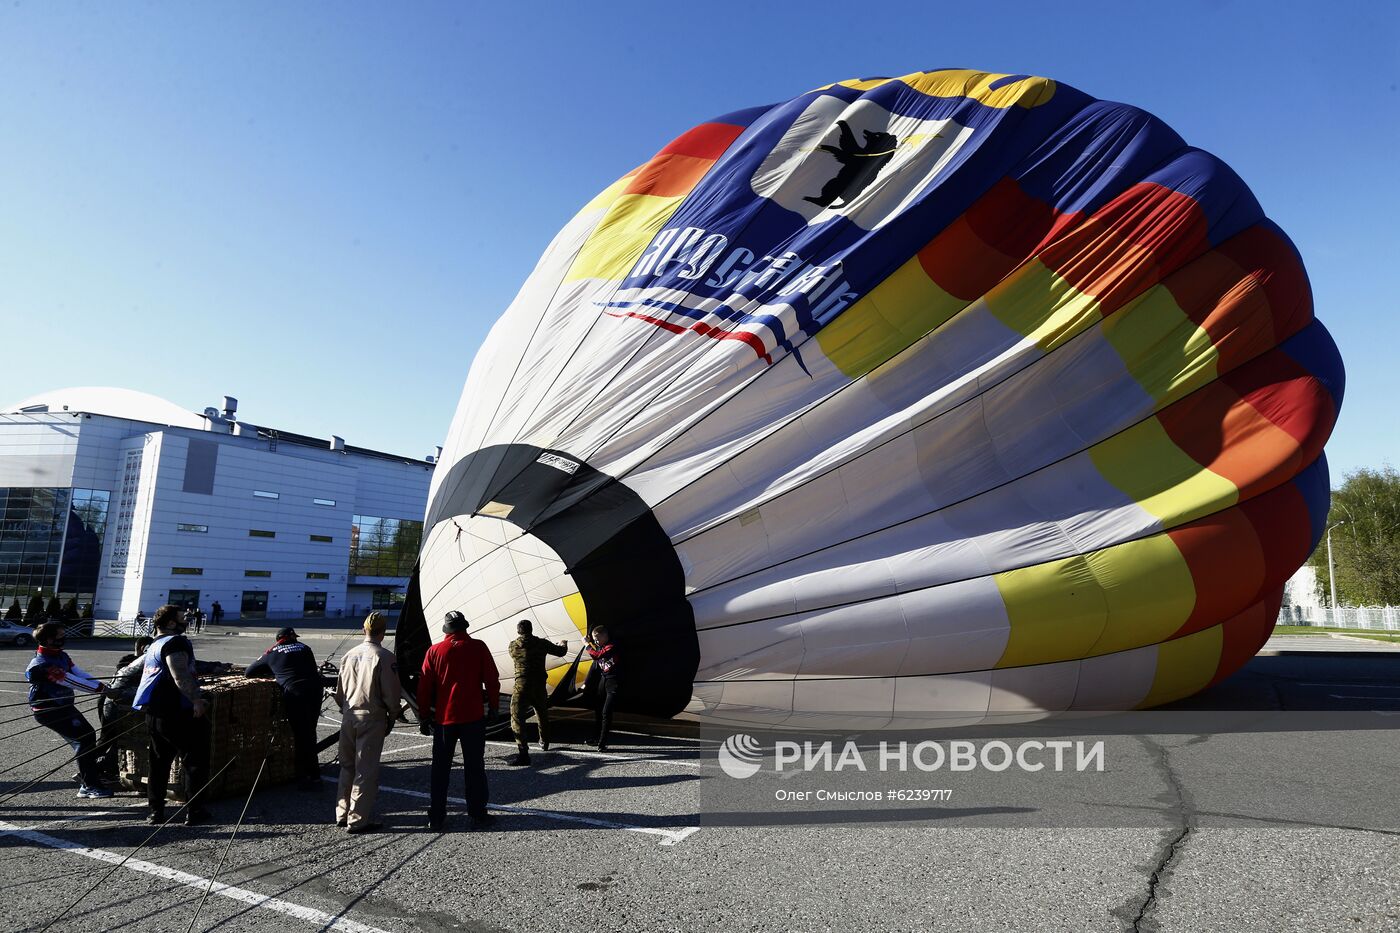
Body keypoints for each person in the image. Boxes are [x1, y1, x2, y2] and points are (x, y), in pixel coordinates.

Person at [418, 610, 500, 831]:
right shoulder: (478, 647)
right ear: (465, 627)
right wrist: (493, 706)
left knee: (440, 769)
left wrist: (424, 715)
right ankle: (478, 814)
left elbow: (424, 687)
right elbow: (492, 680)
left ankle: (436, 816)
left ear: (446, 629)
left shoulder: (434, 651)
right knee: (474, 767)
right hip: (473, 717)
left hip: (445, 719)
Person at [132, 604, 212, 825]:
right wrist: (196, 699)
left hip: (154, 712)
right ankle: (195, 811)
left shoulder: (154, 645)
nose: (186, 621)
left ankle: (155, 811)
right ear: (170, 623)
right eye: (182, 618)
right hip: (178, 711)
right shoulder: (175, 642)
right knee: (195, 761)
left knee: (158, 762)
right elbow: (180, 675)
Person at [25, 622, 112, 798]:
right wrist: (102, 690)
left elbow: (79, 673)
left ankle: (90, 777)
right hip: (48, 709)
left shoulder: (61, 655)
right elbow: (69, 680)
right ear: (49, 640)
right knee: (84, 738)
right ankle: (89, 784)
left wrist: (106, 685)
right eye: (60, 636)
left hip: (64, 706)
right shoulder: (41, 664)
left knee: (87, 737)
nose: (64, 638)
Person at [333, 611, 402, 834]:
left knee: (347, 767)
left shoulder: (348, 655)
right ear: (383, 632)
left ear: (364, 630)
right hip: (371, 718)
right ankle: (358, 820)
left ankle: (342, 813)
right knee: (366, 771)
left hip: (348, 716)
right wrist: (394, 714)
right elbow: (391, 693)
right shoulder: (385, 657)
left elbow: (339, 693)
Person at [245, 627, 323, 790]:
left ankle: (309, 775)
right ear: (293, 638)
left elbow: (249, 672)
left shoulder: (273, 651)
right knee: (310, 730)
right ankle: (310, 771)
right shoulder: (305, 647)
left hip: (295, 692)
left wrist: (271, 670)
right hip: (315, 690)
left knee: (301, 734)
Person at [505, 619, 566, 766]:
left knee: (516, 718)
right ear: (531, 629)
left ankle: (523, 752)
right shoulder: (542, 644)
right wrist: (563, 643)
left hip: (521, 686)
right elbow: (561, 652)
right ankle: (544, 742)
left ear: (518, 631)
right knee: (541, 713)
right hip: (539, 685)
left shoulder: (513, 646)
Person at [586, 626, 620, 752]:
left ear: (605, 636)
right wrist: (585, 684)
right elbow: (594, 666)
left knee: (606, 712)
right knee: (598, 709)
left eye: (597, 639)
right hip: (603, 681)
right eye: (594, 639)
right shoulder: (600, 647)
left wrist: (587, 645)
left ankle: (602, 743)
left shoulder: (612, 647)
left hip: (613, 682)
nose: (596, 642)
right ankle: (596, 738)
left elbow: (596, 656)